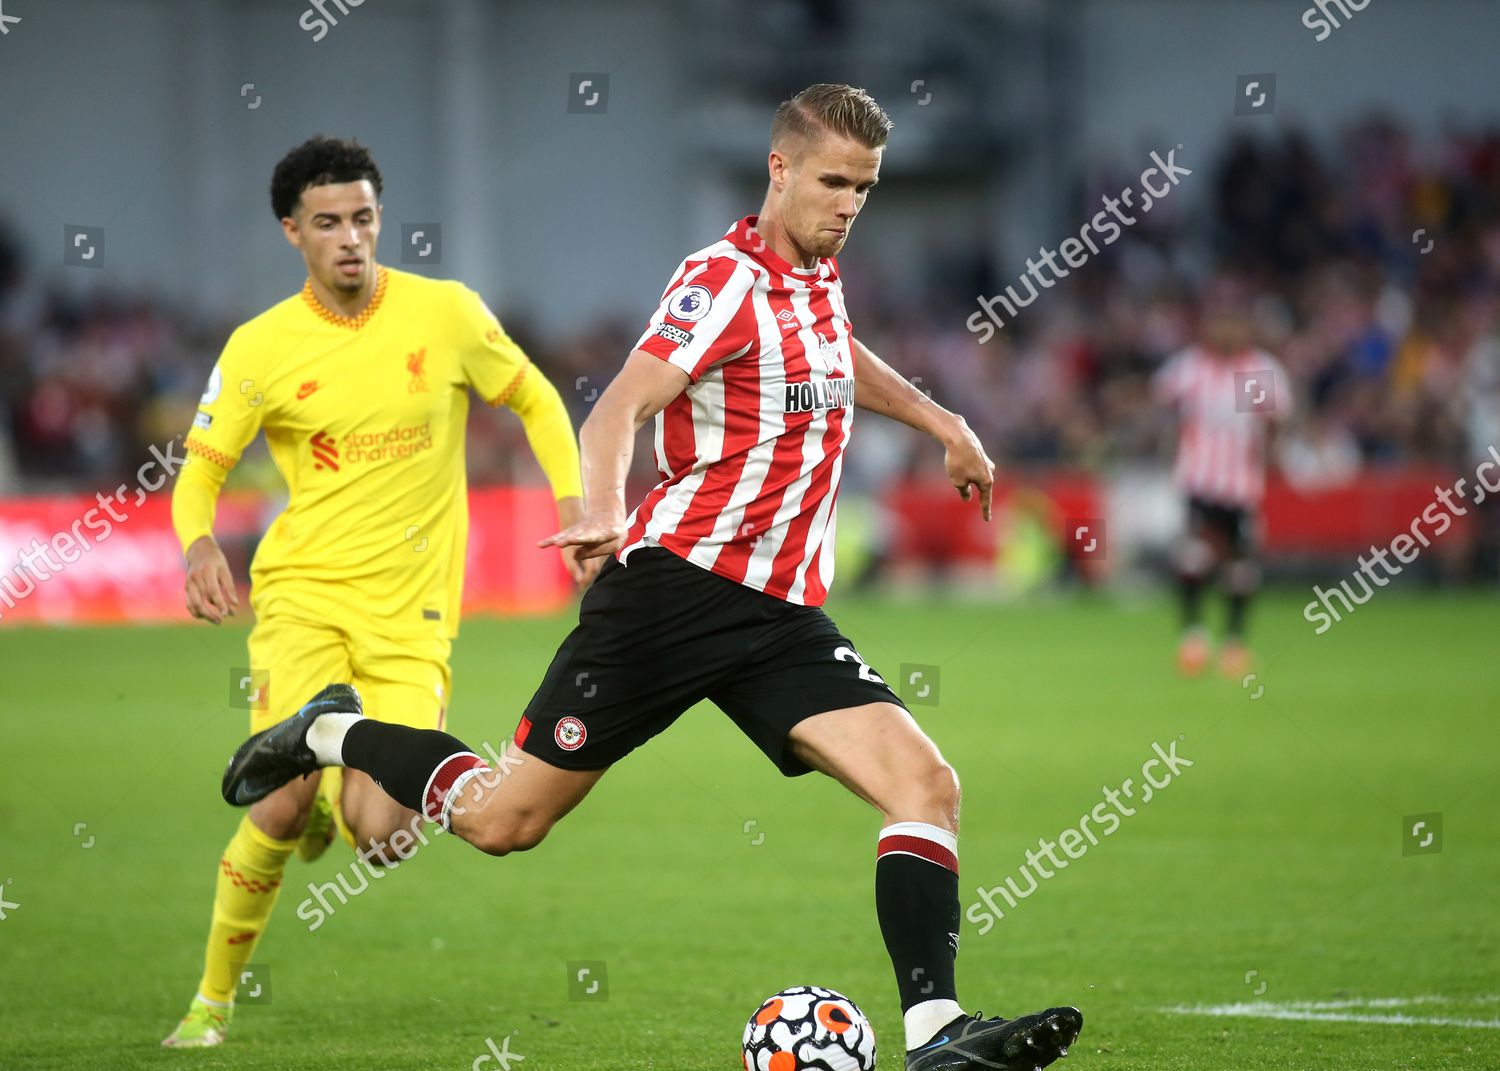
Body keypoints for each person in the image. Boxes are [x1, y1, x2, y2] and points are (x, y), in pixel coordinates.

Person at [220, 88, 1083, 1070]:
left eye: (865, 189)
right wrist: (599, 507)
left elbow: (834, 357)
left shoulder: (818, 275)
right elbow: (617, 408)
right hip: (672, 595)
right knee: (507, 822)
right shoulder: (719, 280)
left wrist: (945, 424)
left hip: (780, 614)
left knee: (927, 785)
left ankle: (936, 1032)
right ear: (781, 170)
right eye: (833, 183)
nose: (848, 205)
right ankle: (326, 730)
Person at [162, 135, 593, 1047]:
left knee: (385, 833)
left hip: (411, 617)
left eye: (363, 217)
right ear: (292, 232)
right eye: (328, 223)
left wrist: (573, 500)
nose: (350, 238)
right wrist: (198, 545)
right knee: (274, 802)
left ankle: (327, 777)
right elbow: (198, 470)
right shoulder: (260, 347)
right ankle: (209, 1003)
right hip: (303, 596)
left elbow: (537, 400)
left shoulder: (446, 314)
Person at [1154, 282, 1292, 677]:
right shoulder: (1190, 367)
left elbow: (1278, 419)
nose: (1226, 333)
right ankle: (1193, 639)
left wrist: (1269, 455)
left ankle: (1234, 643)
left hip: (1242, 484)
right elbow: (1162, 403)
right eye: (1219, 324)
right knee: (1194, 556)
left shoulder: (1262, 370)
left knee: (1240, 566)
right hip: (1199, 480)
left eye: (1233, 324)